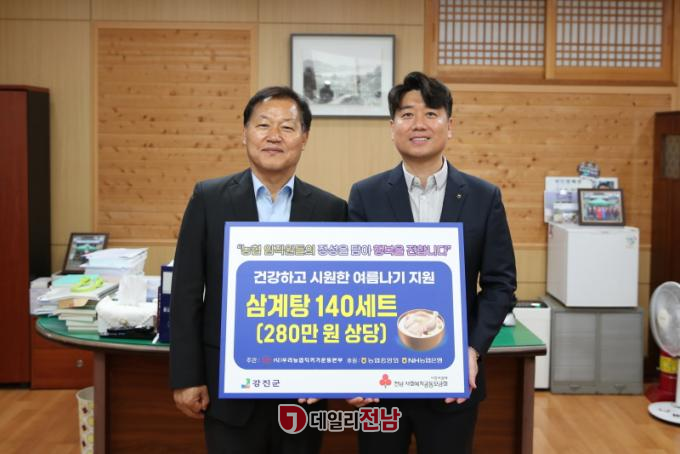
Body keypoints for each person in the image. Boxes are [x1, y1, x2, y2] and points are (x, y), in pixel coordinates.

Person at [170, 86, 347, 454]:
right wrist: (187, 376)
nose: (274, 136)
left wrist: (334, 376)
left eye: (287, 127)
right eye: (263, 125)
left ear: (304, 138)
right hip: (227, 387)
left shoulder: (331, 209)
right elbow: (186, 292)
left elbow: (342, 300)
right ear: (245, 133)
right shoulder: (209, 199)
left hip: (304, 391)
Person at [347, 72, 516, 454]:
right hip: (380, 380)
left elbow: (500, 284)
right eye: (407, 114)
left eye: (431, 114)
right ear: (392, 127)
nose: (419, 124)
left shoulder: (483, 197)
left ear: (449, 125)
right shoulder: (365, 195)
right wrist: (355, 365)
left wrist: (471, 352)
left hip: (451, 379)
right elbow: (352, 284)